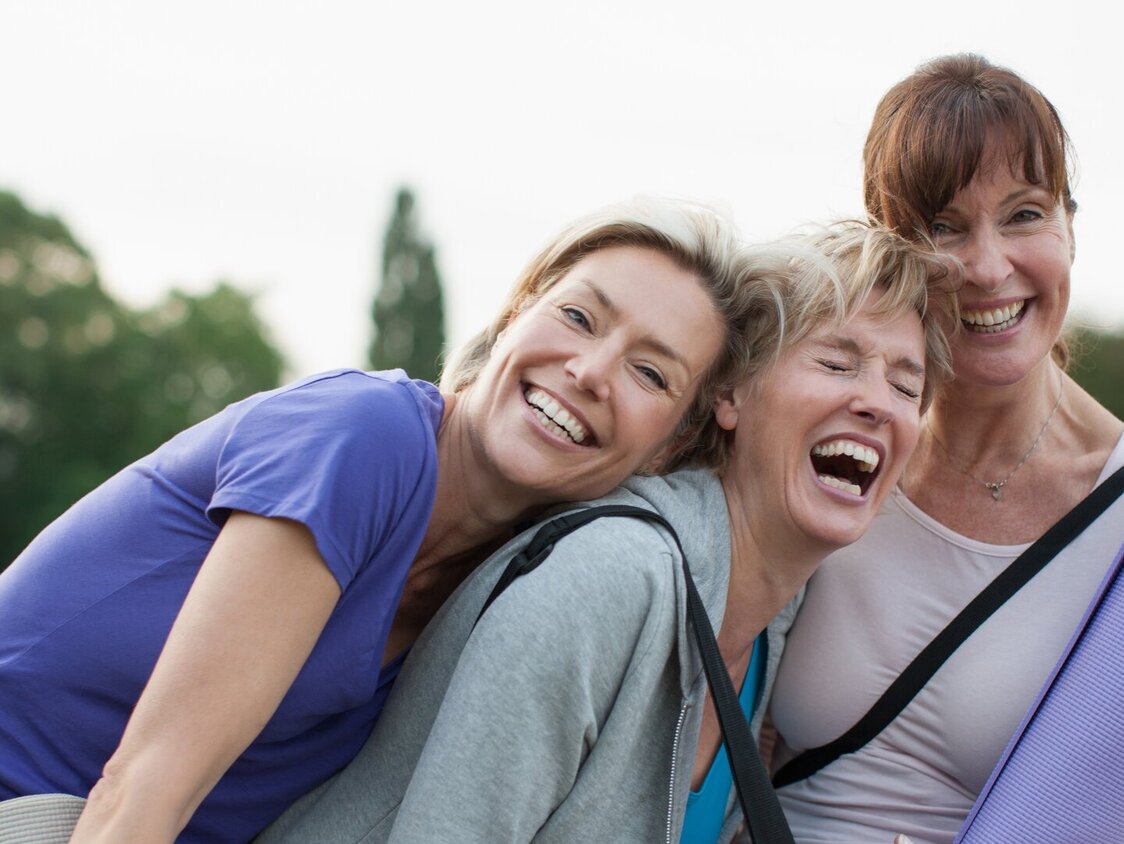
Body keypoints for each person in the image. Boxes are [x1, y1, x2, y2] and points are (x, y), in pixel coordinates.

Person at [0, 198, 753, 844]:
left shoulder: (514, 587)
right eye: (579, 316)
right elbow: (141, 792)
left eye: (650, 372)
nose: (590, 371)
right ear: (515, 314)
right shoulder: (363, 438)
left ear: (672, 445)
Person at [254, 220, 957, 844]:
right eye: (836, 363)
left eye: (905, 385)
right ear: (730, 395)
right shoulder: (611, 577)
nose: (876, 404)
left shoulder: (773, 629)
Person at [768, 54, 1124, 844]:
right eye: (943, 228)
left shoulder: (1114, 510)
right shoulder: (831, 452)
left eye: (1025, 214)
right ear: (889, 248)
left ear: (1071, 225)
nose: (988, 267)